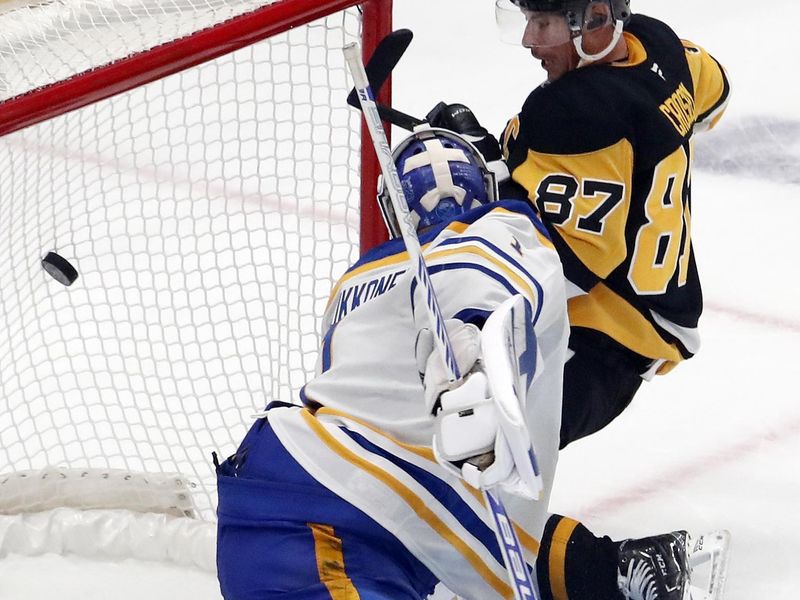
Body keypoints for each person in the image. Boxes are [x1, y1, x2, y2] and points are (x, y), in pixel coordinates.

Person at [215, 128, 726, 600]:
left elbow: (480, 538)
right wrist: (470, 369)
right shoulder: (497, 231)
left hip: (302, 493)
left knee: (474, 505)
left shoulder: (356, 281)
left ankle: (616, 568)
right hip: (333, 523)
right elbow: (468, 281)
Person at [427, 0, 731, 448]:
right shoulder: (656, 45)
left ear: (595, 19)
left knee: (468, 442)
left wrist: (481, 177)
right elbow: (714, 93)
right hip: (644, 310)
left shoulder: (574, 112)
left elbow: (557, 267)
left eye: (544, 23)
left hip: (597, 338)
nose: (530, 40)